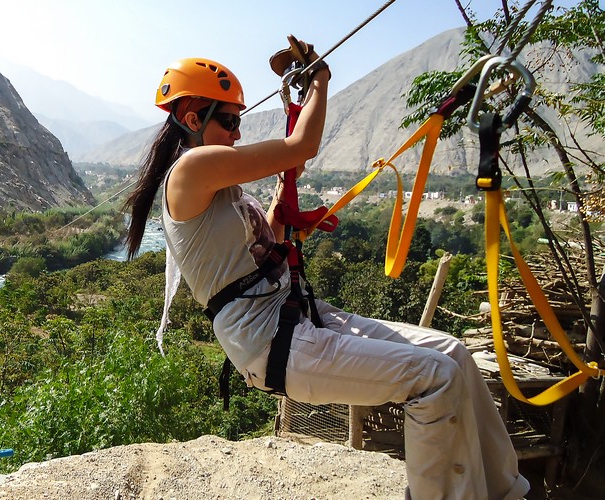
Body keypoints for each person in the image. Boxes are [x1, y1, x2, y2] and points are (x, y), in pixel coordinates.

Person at [122, 47, 530, 500]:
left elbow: (265, 246)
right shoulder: (191, 169)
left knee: (452, 354)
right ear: (193, 119)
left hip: (291, 318)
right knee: (433, 378)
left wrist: (283, 213)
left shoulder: (220, 187)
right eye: (230, 121)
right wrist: (319, 80)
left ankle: (506, 490)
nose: (237, 133)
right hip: (267, 337)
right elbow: (303, 148)